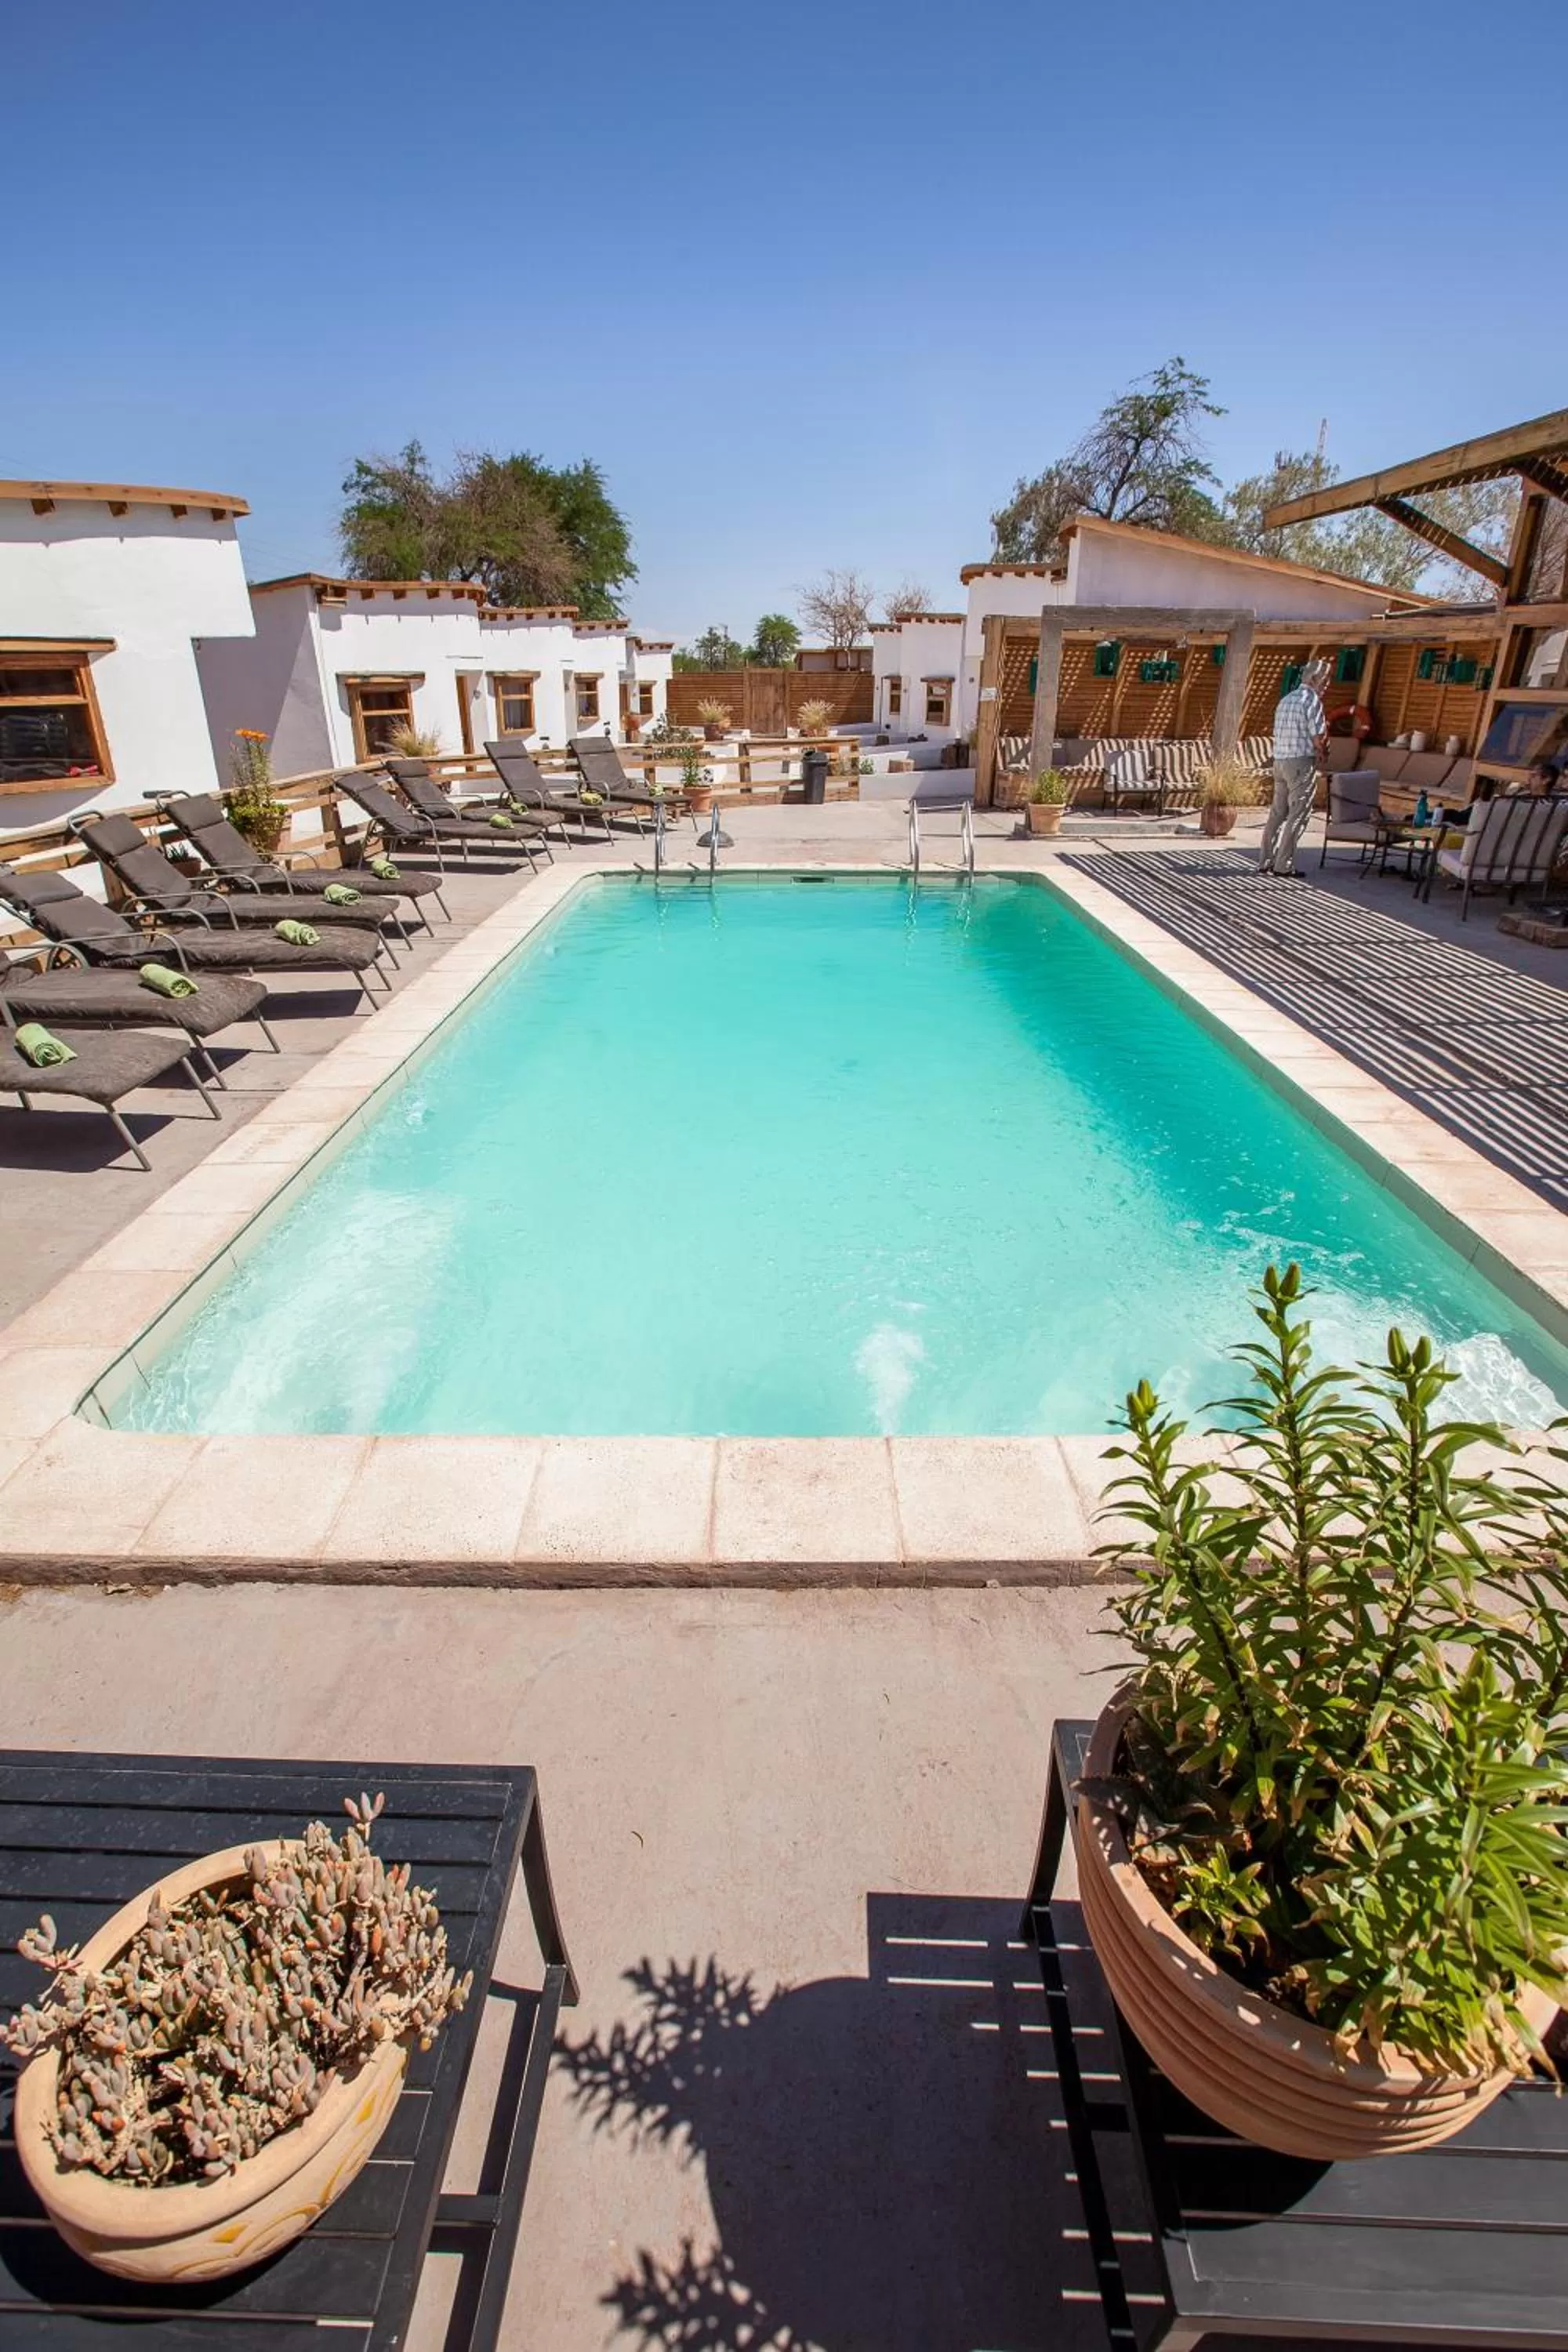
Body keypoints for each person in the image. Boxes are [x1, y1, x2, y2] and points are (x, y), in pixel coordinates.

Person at [1258, 656, 1330, 875]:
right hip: (1300, 763)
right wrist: (1324, 752)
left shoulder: (1286, 700)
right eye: (1326, 680)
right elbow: (1318, 737)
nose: (1328, 685)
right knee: (1298, 813)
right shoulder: (1311, 701)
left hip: (1280, 762)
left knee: (1278, 813)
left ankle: (1265, 861)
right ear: (1315, 679)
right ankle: (1283, 865)